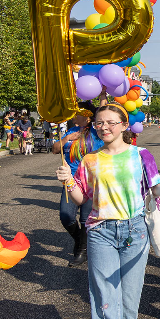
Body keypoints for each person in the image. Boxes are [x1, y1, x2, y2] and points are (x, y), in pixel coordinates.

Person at [55, 103, 160, 319]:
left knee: (130, 295)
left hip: (135, 231)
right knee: (105, 299)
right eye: (100, 123)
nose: (104, 127)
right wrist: (68, 182)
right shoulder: (90, 160)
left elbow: (154, 187)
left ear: (124, 125)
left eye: (111, 122)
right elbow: (81, 198)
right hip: (100, 233)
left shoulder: (141, 155)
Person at [52, 101, 105, 267]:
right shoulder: (72, 130)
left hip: (90, 181)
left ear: (87, 118)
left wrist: (103, 96)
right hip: (71, 181)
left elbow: (102, 111)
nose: (74, 115)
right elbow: (55, 149)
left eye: (77, 113)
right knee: (66, 217)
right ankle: (80, 241)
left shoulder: (97, 132)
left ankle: (81, 251)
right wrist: (67, 138)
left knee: (84, 219)